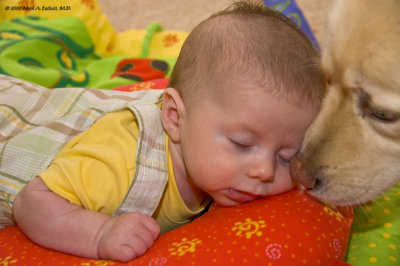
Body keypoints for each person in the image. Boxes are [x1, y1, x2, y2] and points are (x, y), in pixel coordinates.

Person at [3, 0, 326, 262]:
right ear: (174, 117)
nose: (264, 170)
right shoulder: (119, 165)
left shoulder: (209, 128)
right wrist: (99, 235)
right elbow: (32, 201)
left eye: (286, 156)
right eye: (242, 144)